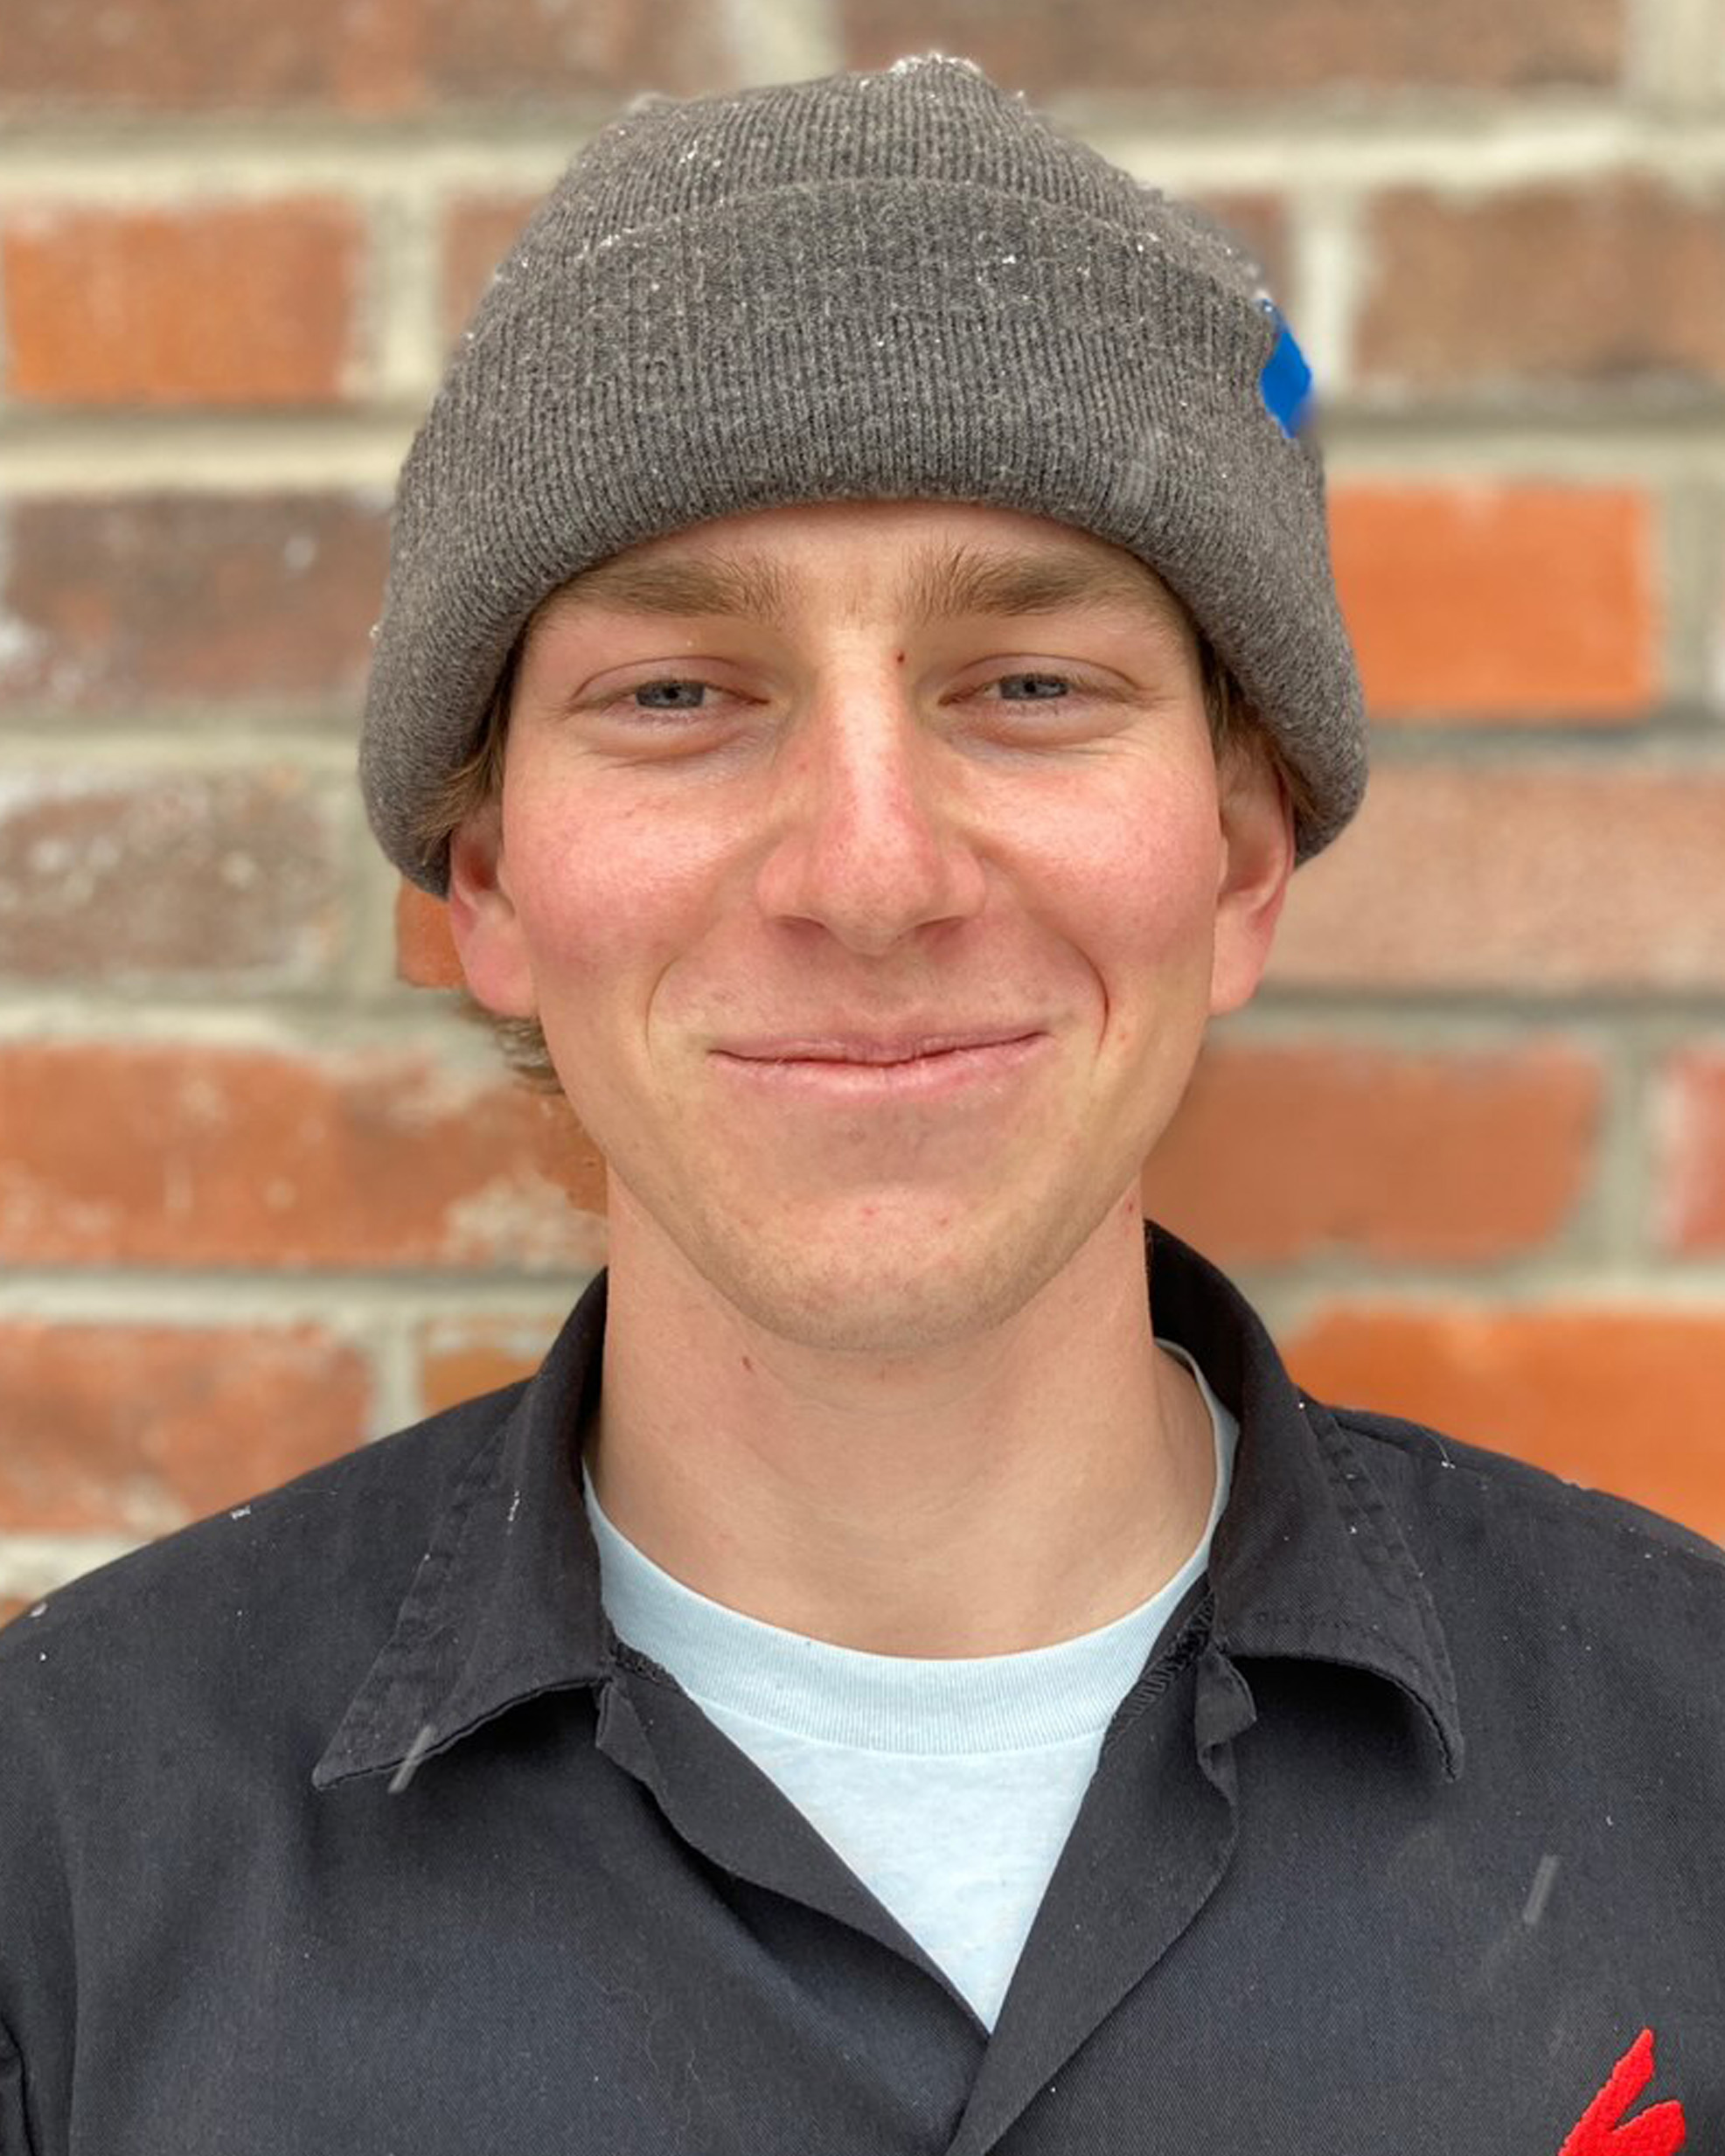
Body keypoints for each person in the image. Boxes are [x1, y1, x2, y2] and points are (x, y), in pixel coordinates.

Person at [1, 57, 1718, 2156]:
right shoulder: (63, 1855)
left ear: (1243, 858)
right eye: (676, 696)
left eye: (1030, 686)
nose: (872, 873)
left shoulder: (1693, 1759)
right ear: (490, 884)